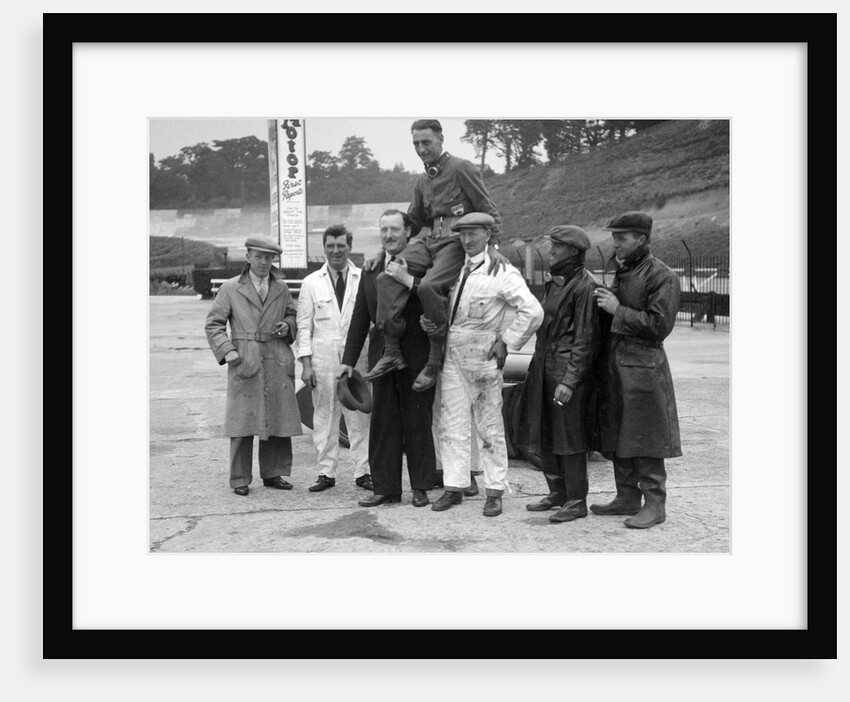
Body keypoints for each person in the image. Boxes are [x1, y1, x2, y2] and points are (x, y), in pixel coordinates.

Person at [362, 119, 509, 393]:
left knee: (429, 286)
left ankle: (434, 358)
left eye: (426, 142)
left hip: (455, 242)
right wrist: (385, 251)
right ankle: (392, 351)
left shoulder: (461, 168)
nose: (421, 149)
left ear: (441, 139)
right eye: (416, 144)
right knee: (385, 278)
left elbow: (489, 209)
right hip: (429, 240)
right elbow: (413, 222)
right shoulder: (422, 179)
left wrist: (493, 247)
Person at [428, 212, 543, 517]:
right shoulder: (454, 268)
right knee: (451, 425)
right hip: (452, 354)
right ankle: (455, 486)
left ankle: (495, 490)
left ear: (489, 235)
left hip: (484, 357)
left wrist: (507, 341)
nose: (467, 240)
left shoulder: (502, 271)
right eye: (463, 234)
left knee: (489, 426)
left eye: (474, 234)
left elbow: (532, 311)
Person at [338, 210, 440, 507]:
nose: (389, 235)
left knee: (418, 420)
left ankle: (421, 486)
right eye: (384, 230)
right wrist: (348, 360)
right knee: (383, 423)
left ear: (408, 231)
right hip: (382, 355)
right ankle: (385, 487)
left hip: (418, 354)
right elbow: (360, 317)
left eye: (395, 229)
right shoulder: (370, 271)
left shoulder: (425, 267)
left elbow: (435, 299)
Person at [591, 211, 682, 529]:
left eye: (622, 236)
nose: (615, 242)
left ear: (642, 239)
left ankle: (655, 505)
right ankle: (627, 497)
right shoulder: (626, 270)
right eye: (614, 236)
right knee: (620, 434)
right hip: (618, 366)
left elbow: (660, 326)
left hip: (644, 369)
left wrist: (618, 310)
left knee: (644, 436)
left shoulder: (662, 275)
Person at [514, 225, 601, 523]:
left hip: (565, 371)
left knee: (570, 437)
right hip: (544, 367)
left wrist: (569, 380)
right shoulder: (556, 283)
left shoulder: (585, 286)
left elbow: (585, 339)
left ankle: (576, 500)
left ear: (574, 251)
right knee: (546, 432)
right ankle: (558, 492)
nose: (550, 251)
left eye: (557, 246)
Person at [205, 236, 302, 496]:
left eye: (268, 257)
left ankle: (274, 473)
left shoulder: (280, 288)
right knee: (242, 420)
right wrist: (228, 350)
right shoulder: (231, 288)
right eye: (258, 256)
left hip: (276, 355)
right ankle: (239, 478)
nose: (263, 262)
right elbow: (214, 324)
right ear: (247, 257)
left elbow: (292, 314)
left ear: (274, 260)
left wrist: (288, 326)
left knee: (277, 417)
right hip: (244, 357)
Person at [296, 224, 373, 493]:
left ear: (350, 247)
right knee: (325, 417)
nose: (336, 251)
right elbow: (304, 327)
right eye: (331, 245)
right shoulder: (310, 283)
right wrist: (306, 365)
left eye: (341, 245)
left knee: (359, 418)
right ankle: (326, 472)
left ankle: (363, 471)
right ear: (324, 248)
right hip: (323, 359)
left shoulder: (363, 278)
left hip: (356, 359)